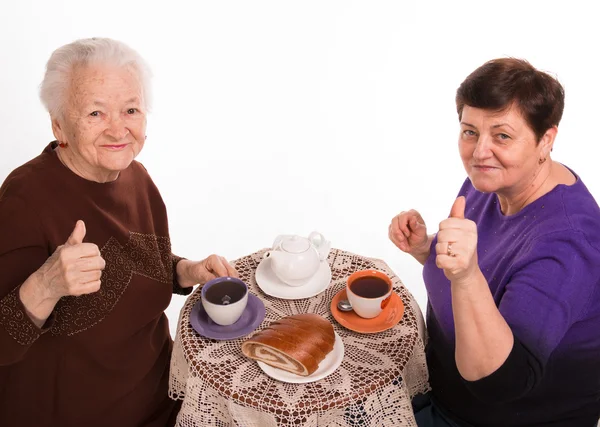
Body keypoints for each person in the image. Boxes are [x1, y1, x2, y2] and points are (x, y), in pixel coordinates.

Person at [0, 38, 238, 427]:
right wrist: (46, 285)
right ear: (58, 123)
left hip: (166, 395)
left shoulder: (135, 176)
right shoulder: (24, 201)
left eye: (130, 109)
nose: (118, 129)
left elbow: (136, 264)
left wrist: (187, 271)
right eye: (95, 112)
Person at [389, 58, 600, 426]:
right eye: (469, 131)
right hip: (435, 388)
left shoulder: (568, 243)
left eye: (502, 135)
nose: (479, 151)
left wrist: (466, 275)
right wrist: (427, 248)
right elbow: (490, 259)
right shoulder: (496, 178)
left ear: (545, 140)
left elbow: (501, 382)